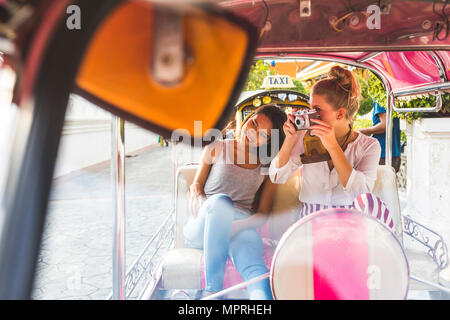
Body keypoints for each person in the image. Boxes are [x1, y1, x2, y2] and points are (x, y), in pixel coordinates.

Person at [269, 66, 396, 231]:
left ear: (340, 114)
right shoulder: (304, 137)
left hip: (350, 222)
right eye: (310, 108)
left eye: (317, 110)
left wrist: (333, 147)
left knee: (372, 205)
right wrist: (289, 140)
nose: (310, 115)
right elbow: (277, 176)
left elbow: (361, 194)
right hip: (310, 221)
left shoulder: (368, 146)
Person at [183, 105, 287, 300]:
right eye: (254, 123)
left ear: (269, 142)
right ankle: (213, 292)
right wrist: (202, 208)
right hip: (205, 221)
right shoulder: (217, 146)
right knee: (221, 202)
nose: (252, 132)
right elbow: (196, 186)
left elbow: (263, 214)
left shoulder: (267, 167)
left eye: (262, 134)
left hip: (240, 226)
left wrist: (235, 226)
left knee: (255, 269)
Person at [359, 101, 401, 172]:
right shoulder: (392, 98)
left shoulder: (380, 99)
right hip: (394, 153)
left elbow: (386, 125)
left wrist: (362, 131)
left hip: (383, 153)